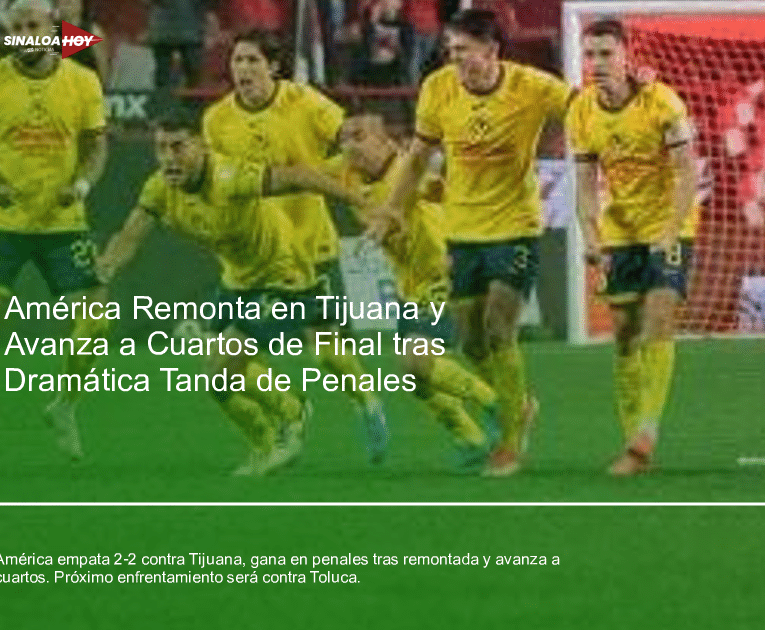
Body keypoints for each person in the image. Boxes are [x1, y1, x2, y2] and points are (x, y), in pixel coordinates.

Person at [98, 108, 371, 475]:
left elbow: (301, 177)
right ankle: (274, 431)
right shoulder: (159, 188)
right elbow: (131, 234)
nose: (168, 158)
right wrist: (107, 267)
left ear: (201, 146)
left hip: (282, 273)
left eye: (178, 147)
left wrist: (362, 202)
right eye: (161, 148)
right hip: (237, 280)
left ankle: (289, 432)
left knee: (223, 370)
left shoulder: (230, 176)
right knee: (216, 377)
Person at [371, 8, 569, 476]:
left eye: (462, 49)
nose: (453, 57)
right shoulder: (438, 88)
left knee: (500, 325)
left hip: (516, 227)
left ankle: (512, 442)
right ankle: (518, 403)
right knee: (472, 340)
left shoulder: (532, 86)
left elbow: (584, 109)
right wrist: (392, 209)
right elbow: (418, 157)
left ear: (491, 50)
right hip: (462, 232)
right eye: (450, 49)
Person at [203, 30, 393, 464]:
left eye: (252, 60)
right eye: (237, 61)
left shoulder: (304, 102)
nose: (243, 70)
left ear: (273, 66)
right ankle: (293, 410)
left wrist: (346, 177)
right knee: (223, 362)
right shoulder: (216, 121)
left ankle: (366, 404)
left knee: (326, 348)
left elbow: (351, 137)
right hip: (255, 254)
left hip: (309, 247)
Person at [0, 0, 109, 463]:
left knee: (93, 323)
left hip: (63, 222)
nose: (24, 33)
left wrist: (80, 185)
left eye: (33, 25)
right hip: (6, 221)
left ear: (52, 28)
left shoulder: (81, 81)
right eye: (16, 26)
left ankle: (65, 407)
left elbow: (97, 147)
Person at [567, 19, 698, 476]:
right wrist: (592, 237)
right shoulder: (581, 111)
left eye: (606, 54)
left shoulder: (662, 101)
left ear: (626, 56)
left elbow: (688, 172)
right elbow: (585, 186)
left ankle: (645, 435)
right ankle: (632, 443)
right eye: (591, 55)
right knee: (624, 335)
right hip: (620, 229)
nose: (597, 64)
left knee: (659, 318)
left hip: (668, 224)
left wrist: (671, 230)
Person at [336, 111, 499, 471]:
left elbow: (436, 186)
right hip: (409, 285)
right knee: (415, 379)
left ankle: (498, 406)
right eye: (344, 139)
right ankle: (469, 437)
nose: (350, 146)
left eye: (359, 137)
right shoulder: (346, 175)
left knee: (415, 362)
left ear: (387, 143)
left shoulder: (407, 171)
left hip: (443, 271)